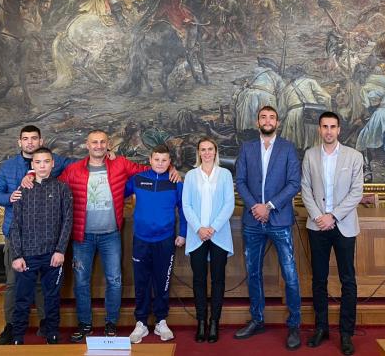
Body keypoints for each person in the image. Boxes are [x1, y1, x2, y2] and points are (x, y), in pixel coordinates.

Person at [59, 130, 179, 343]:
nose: (98, 145)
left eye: (102, 142)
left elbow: (150, 170)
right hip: (82, 235)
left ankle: (111, 324)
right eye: (94, 142)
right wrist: (31, 177)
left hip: (111, 234)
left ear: (108, 145)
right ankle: (85, 324)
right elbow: (55, 185)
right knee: (81, 281)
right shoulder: (74, 169)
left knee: (114, 280)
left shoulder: (120, 164)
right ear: (87, 145)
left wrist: (171, 169)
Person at [0, 125, 75, 345]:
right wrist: (11, 196)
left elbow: (80, 164)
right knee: (14, 285)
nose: (30, 142)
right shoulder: (9, 167)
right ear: (20, 142)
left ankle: (47, 325)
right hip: (19, 238)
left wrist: (107, 156)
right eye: (25, 139)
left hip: (49, 242)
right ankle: (12, 328)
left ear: (41, 141)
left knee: (44, 288)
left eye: (34, 138)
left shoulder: (56, 170)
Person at [234, 106, 302, 350]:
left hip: (279, 220)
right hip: (253, 221)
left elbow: (294, 183)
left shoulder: (287, 148)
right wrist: (256, 207)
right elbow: (240, 181)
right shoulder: (247, 148)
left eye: (272, 117)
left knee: (290, 274)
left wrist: (270, 206)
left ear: (278, 122)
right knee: (253, 272)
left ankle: (294, 324)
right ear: (257, 122)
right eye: (263, 117)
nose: (267, 120)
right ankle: (257, 319)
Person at [300, 111, 363, 355]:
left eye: (332, 127)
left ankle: (346, 333)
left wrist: (333, 216)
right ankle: (321, 328)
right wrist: (319, 216)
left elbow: (356, 192)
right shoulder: (310, 155)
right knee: (319, 280)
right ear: (319, 129)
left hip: (344, 226)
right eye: (324, 126)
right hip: (317, 226)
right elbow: (305, 189)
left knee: (348, 280)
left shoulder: (354, 156)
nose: (328, 131)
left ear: (339, 130)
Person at [9, 147, 73, 345]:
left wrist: (60, 251)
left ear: (52, 164)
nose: (42, 166)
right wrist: (17, 255)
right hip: (27, 255)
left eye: (46, 162)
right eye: (38, 162)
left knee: (51, 297)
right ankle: (17, 336)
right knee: (22, 298)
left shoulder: (62, 188)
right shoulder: (22, 190)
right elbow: (15, 225)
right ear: (32, 165)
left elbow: (67, 221)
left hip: (52, 255)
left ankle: (52, 333)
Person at [125, 145, 187, 344]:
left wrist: (183, 233)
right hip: (141, 240)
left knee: (162, 282)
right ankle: (141, 323)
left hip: (165, 239)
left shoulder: (175, 182)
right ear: (150, 160)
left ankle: (161, 321)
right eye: (157, 159)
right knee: (141, 281)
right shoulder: (137, 179)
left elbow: (183, 209)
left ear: (170, 162)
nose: (160, 163)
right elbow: (117, 193)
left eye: (164, 160)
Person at [182, 137, 235, 343]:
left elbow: (229, 204)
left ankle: (214, 322)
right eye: (203, 149)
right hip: (197, 236)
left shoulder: (225, 174)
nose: (206, 153)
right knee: (199, 280)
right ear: (198, 152)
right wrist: (199, 228)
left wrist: (212, 228)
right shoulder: (191, 175)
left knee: (218, 279)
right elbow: (186, 205)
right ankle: (201, 322)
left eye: (210, 149)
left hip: (218, 234)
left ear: (215, 151)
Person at [278, 65, 332, 150]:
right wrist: (327, 112)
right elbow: (326, 98)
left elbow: (281, 112)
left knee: (294, 147)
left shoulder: (286, 89)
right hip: (311, 113)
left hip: (292, 116)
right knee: (313, 146)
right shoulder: (310, 81)